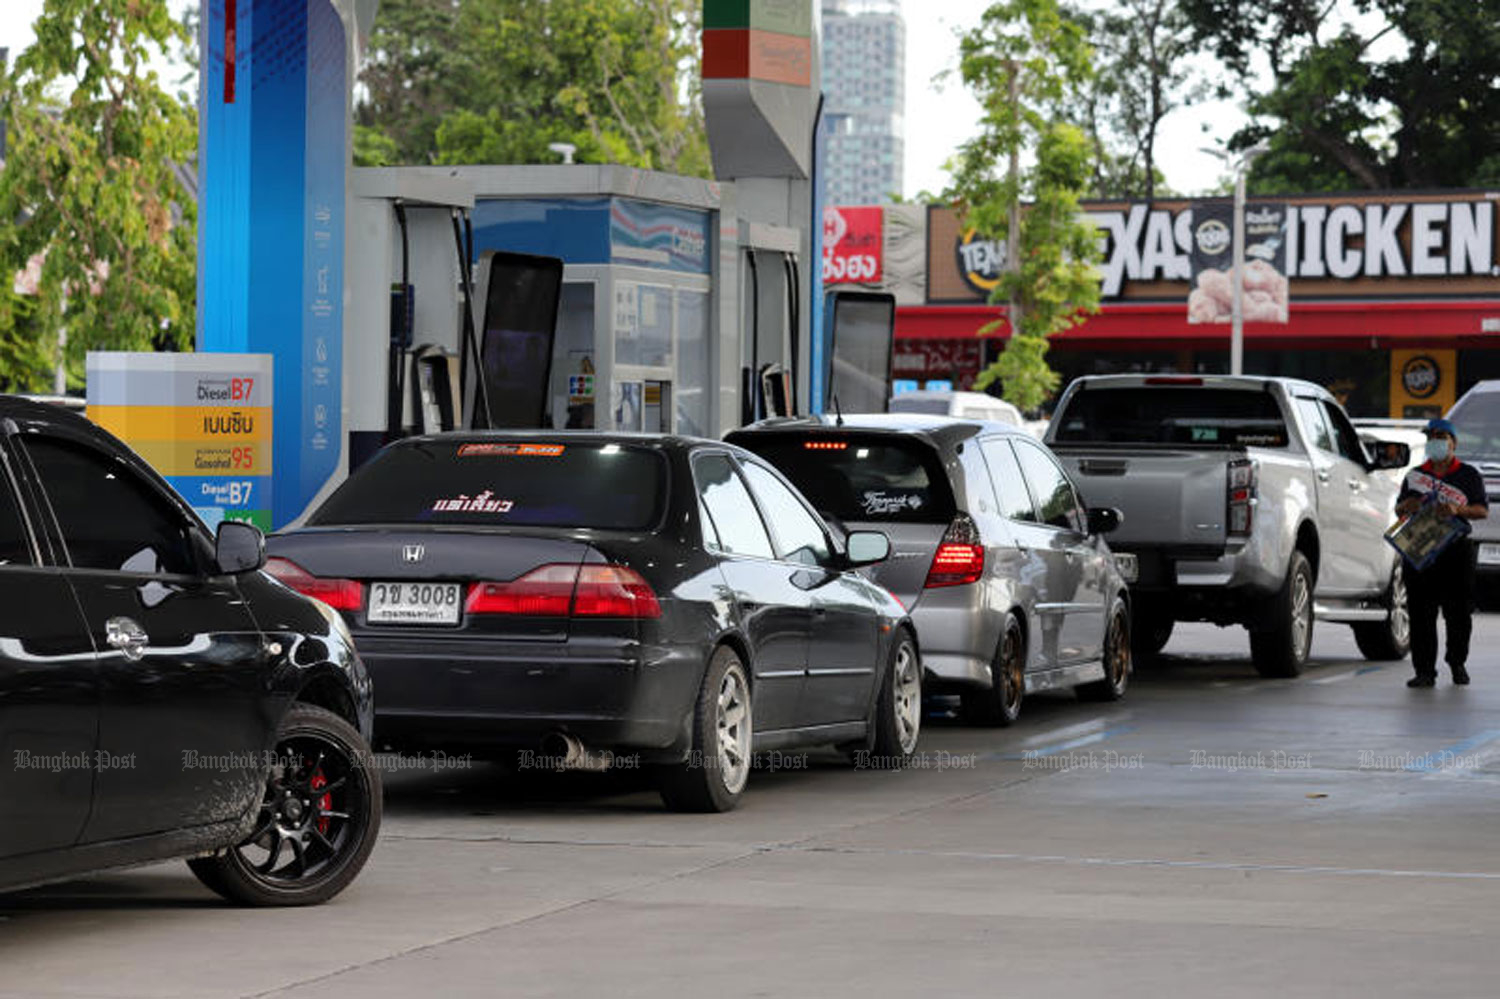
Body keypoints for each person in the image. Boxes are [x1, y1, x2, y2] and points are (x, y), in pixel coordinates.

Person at [1395, 417, 1489, 687]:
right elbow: (1398, 510)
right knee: (1421, 613)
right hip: (1420, 549)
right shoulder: (1415, 475)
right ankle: (1424, 671)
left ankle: (1456, 662)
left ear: (1453, 443)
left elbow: (1482, 510)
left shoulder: (1468, 475)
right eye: (1431, 437)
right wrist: (1407, 507)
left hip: (1456, 551)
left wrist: (1458, 510)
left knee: (1458, 613)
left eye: (1441, 437)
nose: (1435, 442)